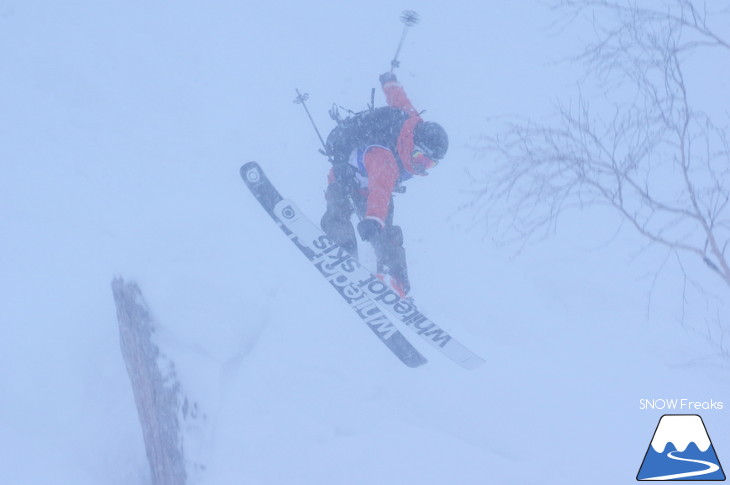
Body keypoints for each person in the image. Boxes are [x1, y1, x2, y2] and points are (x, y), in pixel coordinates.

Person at [320, 72, 448, 298]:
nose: (421, 167)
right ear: (414, 144)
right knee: (338, 211)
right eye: (420, 158)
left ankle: (394, 280)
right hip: (346, 178)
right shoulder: (386, 158)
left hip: (373, 190)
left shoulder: (411, 120)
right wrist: (373, 220)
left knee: (387, 235)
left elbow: (400, 100)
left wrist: (390, 83)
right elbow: (380, 188)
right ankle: (343, 254)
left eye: (429, 164)